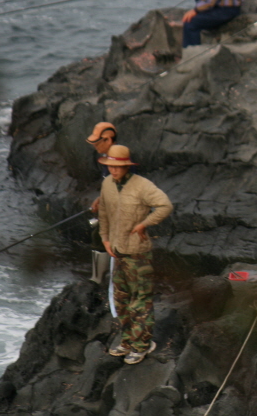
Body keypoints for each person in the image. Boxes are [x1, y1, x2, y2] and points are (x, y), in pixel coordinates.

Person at [98, 145, 173, 365]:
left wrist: (144, 224)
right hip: (118, 251)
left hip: (138, 255)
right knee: (120, 300)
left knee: (140, 302)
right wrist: (105, 238)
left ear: (126, 166)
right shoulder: (106, 184)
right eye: (110, 166)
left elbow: (165, 205)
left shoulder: (142, 186)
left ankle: (142, 346)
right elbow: (103, 212)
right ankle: (128, 340)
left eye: (118, 166)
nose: (113, 170)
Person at [86, 122, 117, 284]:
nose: (95, 147)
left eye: (98, 143)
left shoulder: (119, 159)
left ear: (109, 140)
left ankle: (100, 279)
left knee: (100, 234)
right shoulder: (106, 160)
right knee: (96, 234)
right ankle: (98, 277)